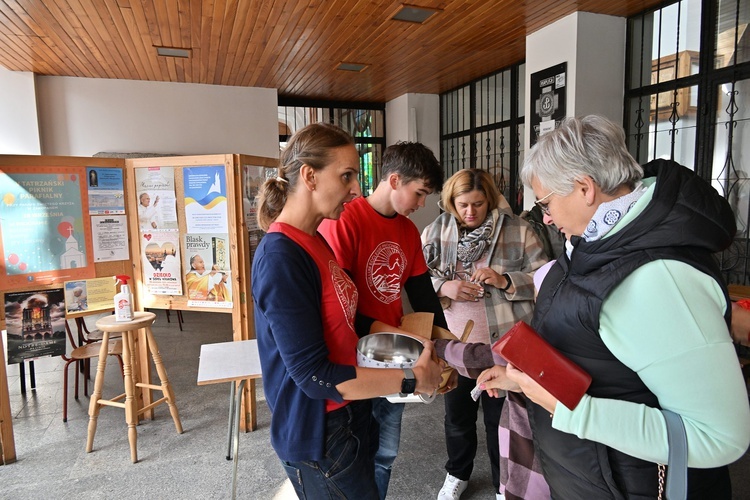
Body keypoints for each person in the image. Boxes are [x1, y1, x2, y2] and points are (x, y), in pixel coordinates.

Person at [480, 115, 750, 498]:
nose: (546, 216)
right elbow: (598, 355)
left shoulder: (658, 279)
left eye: (545, 202)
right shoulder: (596, 244)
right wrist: (527, 379)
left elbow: (719, 437)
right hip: (596, 478)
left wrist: (567, 408)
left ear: (584, 188)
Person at [251, 122, 443, 500]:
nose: (356, 189)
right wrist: (411, 379)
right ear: (309, 176)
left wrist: (403, 340)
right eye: (346, 176)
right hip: (318, 430)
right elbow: (312, 376)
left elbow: (346, 317)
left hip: (348, 414)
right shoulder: (281, 256)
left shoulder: (314, 240)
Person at [318, 141, 450, 500]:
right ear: (394, 180)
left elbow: (422, 292)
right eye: (419, 193)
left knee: (387, 453)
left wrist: (445, 346)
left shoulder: (408, 231)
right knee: (354, 451)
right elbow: (340, 306)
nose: (422, 204)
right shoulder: (347, 221)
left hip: (396, 352)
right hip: (354, 357)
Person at [421, 168, 548, 500]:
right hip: (455, 346)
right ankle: (457, 474)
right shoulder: (435, 232)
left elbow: (545, 280)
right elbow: (417, 280)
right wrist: (443, 285)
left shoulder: (519, 231)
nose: (470, 212)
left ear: (489, 200)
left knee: (501, 422)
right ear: (451, 202)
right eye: (462, 204)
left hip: (502, 346)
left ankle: (501, 484)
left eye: (478, 204)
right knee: (457, 417)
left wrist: (505, 280)